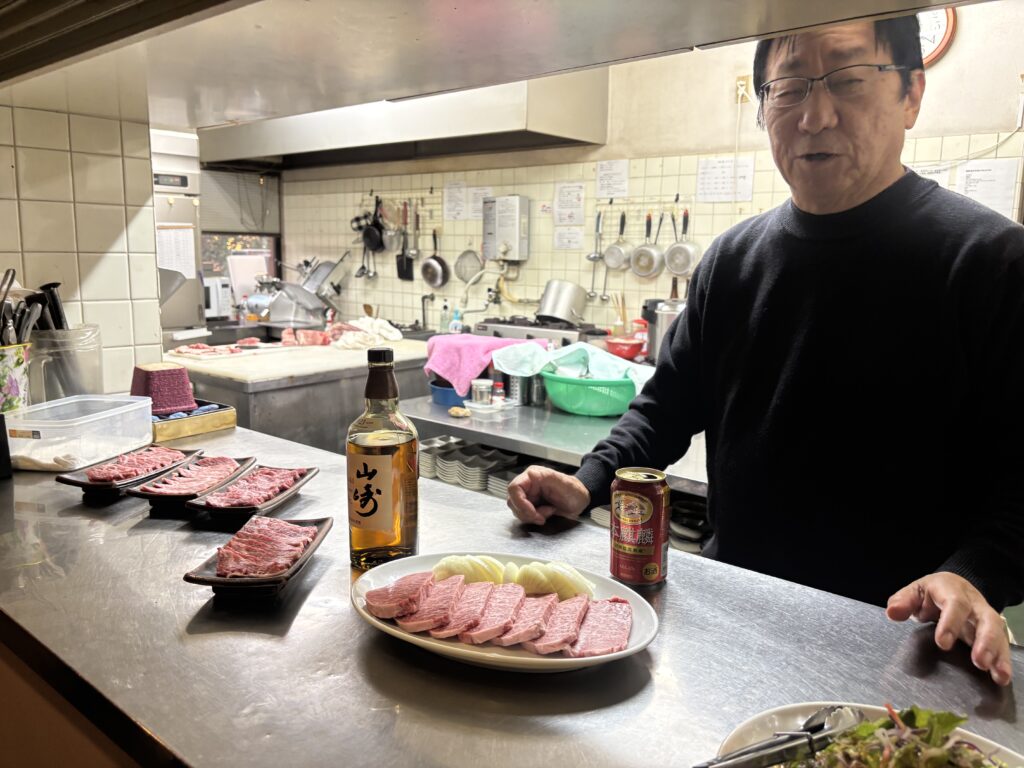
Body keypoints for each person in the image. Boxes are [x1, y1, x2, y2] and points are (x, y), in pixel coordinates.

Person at [507, 16, 1023, 687]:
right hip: (734, 623)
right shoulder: (733, 260)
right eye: (790, 88)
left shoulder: (990, 262)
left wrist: (972, 574)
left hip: (905, 646)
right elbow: (665, 408)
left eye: (847, 79)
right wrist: (590, 480)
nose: (815, 116)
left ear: (911, 94)